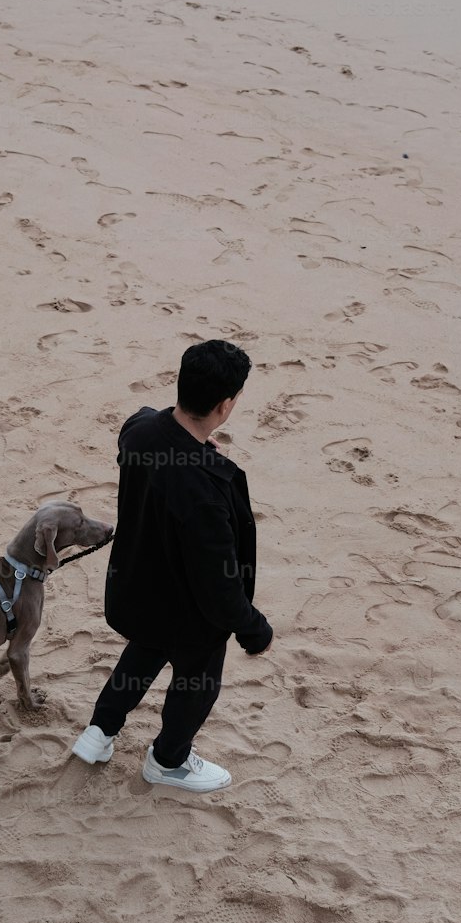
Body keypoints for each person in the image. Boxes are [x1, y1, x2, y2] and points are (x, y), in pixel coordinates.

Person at [70, 340, 272, 793]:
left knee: (143, 652)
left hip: (140, 587)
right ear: (225, 405)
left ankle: (100, 732)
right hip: (189, 610)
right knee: (196, 684)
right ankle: (168, 760)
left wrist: (193, 444)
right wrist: (253, 629)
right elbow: (219, 583)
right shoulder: (205, 492)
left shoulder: (140, 432)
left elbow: (143, 420)